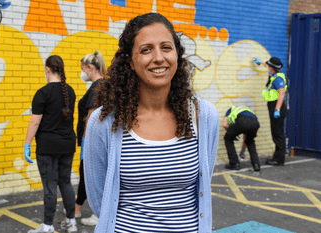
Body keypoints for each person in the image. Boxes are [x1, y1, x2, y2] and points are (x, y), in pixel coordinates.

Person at [83, 13, 219, 233]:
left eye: (166, 47)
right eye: (146, 49)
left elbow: (203, 182)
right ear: (130, 60)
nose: (158, 57)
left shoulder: (204, 117)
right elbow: (100, 200)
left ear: (177, 54)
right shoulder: (105, 122)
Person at [24, 55, 77, 233]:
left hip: (47, 147)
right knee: (65, 182)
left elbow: (34, 122)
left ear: (47, 70)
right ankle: (71, 222)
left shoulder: (43, 93)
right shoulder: (70, 91)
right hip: (67, 144)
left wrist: (27, 144)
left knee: (50, 186)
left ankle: (47, 227)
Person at [74, 51, 105, 226]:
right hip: (100, 141)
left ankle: (99, 215)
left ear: (90, 68)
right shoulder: (104, 85)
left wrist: (86, 144)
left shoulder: (96, 87)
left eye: (83, 69)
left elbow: (91, 117)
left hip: (92, 142)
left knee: (91, 177)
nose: (82, 73)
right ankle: (91, 211)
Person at [254, 57, 287, 166]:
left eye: (268, 65)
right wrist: (262, 62)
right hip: (274, 106)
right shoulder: (275, 74)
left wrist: (277, 109)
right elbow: (270, 67)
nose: (267, 66)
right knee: (276, 133)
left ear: (272, 67)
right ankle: (278, 157)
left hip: (277, 107)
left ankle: (279, 159)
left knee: (277, 134)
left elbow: (281, 94)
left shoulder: (278, 79)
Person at [223, 106, 261, 171]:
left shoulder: (230, 110)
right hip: (255, 123)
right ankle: (256, 165)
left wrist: (231, 134)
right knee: (250, 141)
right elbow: (245, 137)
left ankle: (234, 164)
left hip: (242, 121)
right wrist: (242, 151)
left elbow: (225, 125)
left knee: (227, 138)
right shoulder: (245, 110)